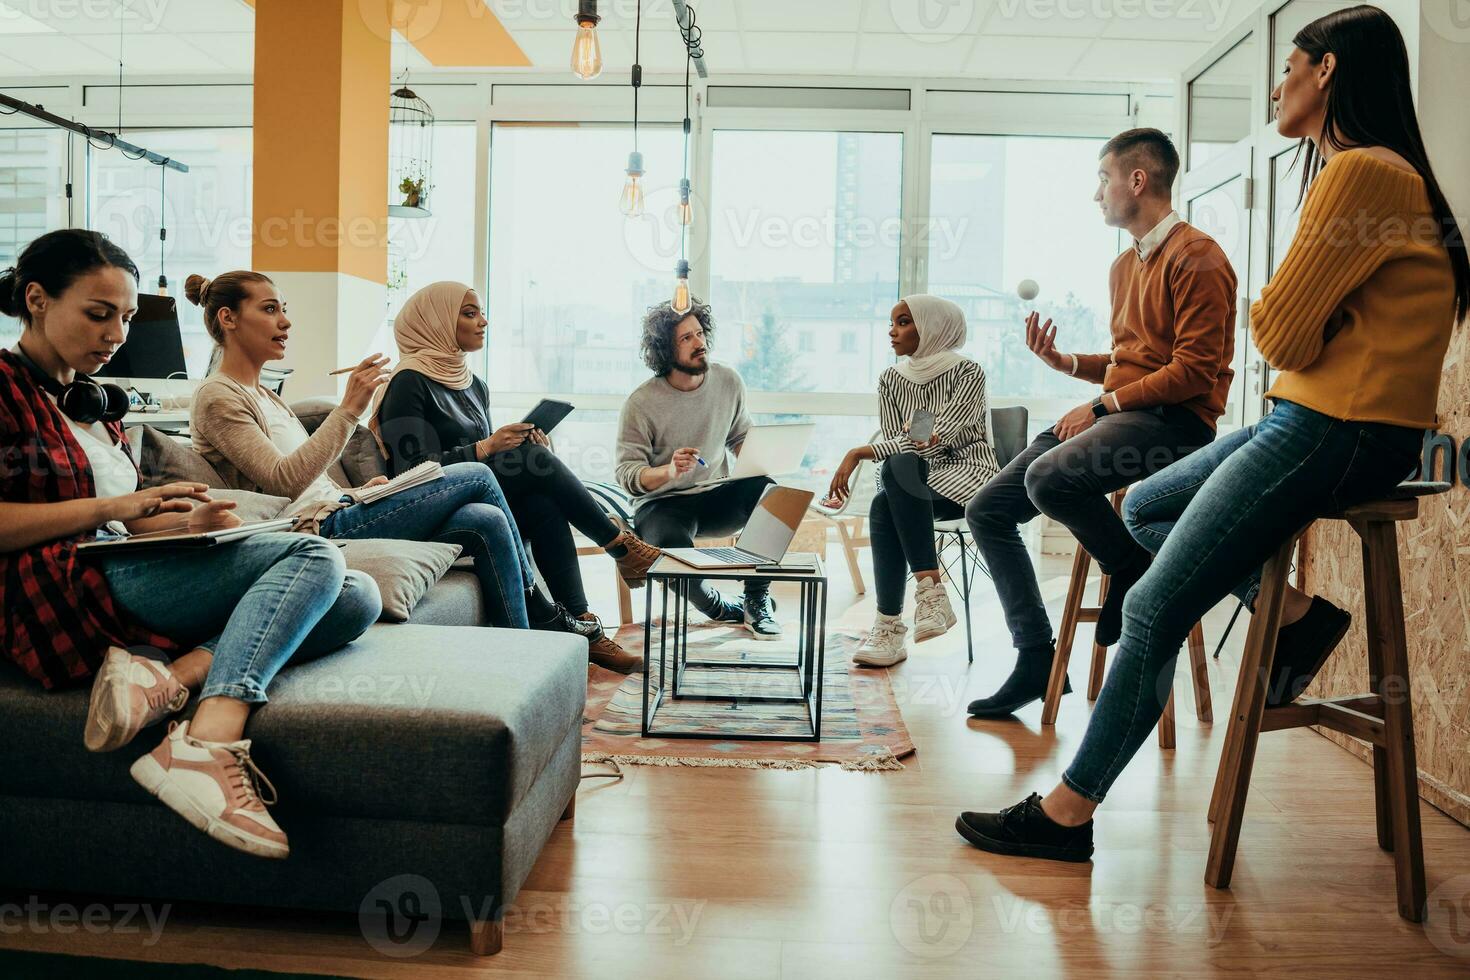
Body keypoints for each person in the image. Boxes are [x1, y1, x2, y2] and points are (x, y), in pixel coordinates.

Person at [957, 4, 1469, 863]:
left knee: (1154, 603)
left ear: (1328, 72)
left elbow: (1274, 336)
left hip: (1337, 425)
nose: (1278, 85)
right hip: (1313, 414)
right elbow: (1294, 331)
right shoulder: (1357, 174)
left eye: (1289, 68)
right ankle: (1300, 622)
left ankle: (1068, 815)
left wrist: (1295, 310)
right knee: (1151, 509)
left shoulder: (1358, 176)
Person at [0, 230, 381, 859]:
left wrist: (184, 522)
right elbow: (98, 515)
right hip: (60, 584)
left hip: (123, 561)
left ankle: (167, 682)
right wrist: (115, 507)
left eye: (124, 317)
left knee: (356, 595)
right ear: (36, 299)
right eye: (98, 315)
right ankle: (203, 742)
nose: (116, 334)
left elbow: (128, 522)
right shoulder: (6, 387)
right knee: (316, 557)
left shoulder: (92, 400)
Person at [964, 127, 1238, 719]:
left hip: (1175, 424)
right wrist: (1066, 364)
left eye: (1102, 179)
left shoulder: (1200, 258)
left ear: (1136, 180)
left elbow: (1192, 373)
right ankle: (1036, 658)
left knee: (1049, 479)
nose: (1097, 195)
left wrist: (1099, 406)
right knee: (986, 508)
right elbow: (1126, 364)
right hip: (1124, 418)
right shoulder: (1123, 267)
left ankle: (1129, 563)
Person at [185, 271, 531, 629]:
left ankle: (518, 645)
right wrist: (349, 410)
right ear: (228, 318)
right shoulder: (217, 396)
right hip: (316, 531)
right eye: (270, 309)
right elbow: (283, 482)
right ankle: (538, 599)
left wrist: (356, 491)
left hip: (341, 509)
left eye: (283, 309)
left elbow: (312, 484)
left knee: (484, 519)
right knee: (477, 474)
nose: (286, 321)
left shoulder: (268, 397)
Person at [368, 281, 660, 673]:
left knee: (543, 503)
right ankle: (621, 548)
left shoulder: (474, 384)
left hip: (479, 494)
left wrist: (521, 447)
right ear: (435, 322)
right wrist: (489, 448)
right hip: (431, 506)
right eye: (469, 314)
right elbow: (412, 471)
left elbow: (489, 461)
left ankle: (585, 626)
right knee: (532, 461)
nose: (483, 321)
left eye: (481, 312)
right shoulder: (408, 382)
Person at [826, 295, 999, 667]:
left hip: (966, 474)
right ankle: (926, 597)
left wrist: (860, 451)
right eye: (892, 322)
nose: (892, 331)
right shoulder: (891, 379)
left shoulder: (968, 372)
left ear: (933, 327)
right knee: (891, 484)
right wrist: (911, 440)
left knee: (889, 488)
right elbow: (904, 447)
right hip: (913, 482)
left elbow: (939, 435)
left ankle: (890, 625)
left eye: (904, 322)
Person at [615, 300, 780, 638]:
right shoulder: (641, 403)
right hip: (662, 505)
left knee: (771, 494)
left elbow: (738, 436)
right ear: (665, 350)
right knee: (674, 553)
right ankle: (716, 606)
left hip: (715, 497)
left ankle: (756, 599)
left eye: (699, 333)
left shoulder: (728, 381)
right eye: (685, 339)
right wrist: (667, 472)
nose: (698, 342)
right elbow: (628, 473)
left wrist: (761, 455)